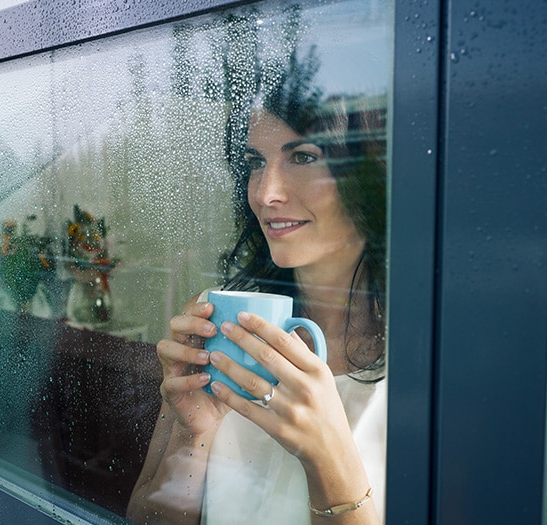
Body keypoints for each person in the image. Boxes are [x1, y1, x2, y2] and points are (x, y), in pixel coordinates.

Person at [127, 70, 387, 524]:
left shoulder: (430, 365)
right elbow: (147, 518)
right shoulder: (217, 320)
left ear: (366, 176)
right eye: (254, 163)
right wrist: (193, 436)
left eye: (303, 157)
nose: (267, 193)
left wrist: (327, 458)